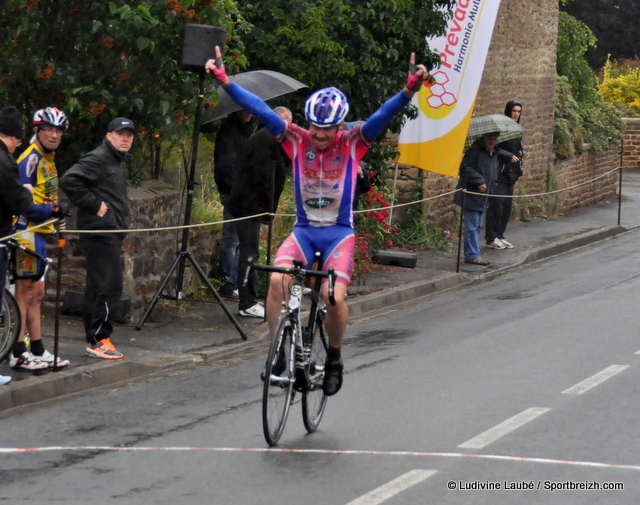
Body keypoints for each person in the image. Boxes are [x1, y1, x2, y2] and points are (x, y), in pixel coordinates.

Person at [206, 48, 429, 395]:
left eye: (326, 129)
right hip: (304, 232)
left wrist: (408, 91)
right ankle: (277, 350)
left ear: (339, 125)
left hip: (339, 235)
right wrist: (225, 81)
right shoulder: (296, 138)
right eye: (314, 127)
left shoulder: (355, 142)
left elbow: (384, 115)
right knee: (278, 282)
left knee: (332, 297)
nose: (320, 135)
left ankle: (335, 357)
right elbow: (259, 109)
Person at [60, 117, 134, 360]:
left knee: (103, 283)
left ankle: (98, 337)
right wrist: (94, 204)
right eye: (120, 133)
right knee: (107, 285)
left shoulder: (116, 160)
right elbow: (70, 180)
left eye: (129, 135)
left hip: (110, 231)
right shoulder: (99, 158)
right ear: (109, 135)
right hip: (99, 231)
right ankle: (98, 339)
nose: (125, 138)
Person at [11, 108, 72, 372]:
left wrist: (54, 215)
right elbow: (21, 203)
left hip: (41, 232)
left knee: (37, 293)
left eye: (59, 130)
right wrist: (53, 211)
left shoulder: (48, 158)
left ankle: (37, 349)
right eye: (49, 129)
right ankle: (17, 351)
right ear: (36, 130)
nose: (54, 134)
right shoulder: (30, 160)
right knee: (24, 294)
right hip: (25, 232)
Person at [227, 106, 292, 319]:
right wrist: (266, 210)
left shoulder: (272, 141)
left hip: (252, 204)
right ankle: (248, 302)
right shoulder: (265, 141)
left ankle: (251, 299)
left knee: (250, 251)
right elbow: (263, 178)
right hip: (247, 205)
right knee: (249, 252)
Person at [0, 106, 34, 384]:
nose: (17, 146)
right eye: (17, 140)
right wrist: (27, 193)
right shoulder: (4, 160)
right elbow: (16, 201)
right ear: (11, 137)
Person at [213, 109, 253, 300]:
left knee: (238, 239)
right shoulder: (229, 131)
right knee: (232, 239)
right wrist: (237, 190)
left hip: (239, 191)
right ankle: (228, 283)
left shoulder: (242, 130)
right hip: (232, 192)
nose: (250, 113)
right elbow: (227, 166)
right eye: (246, 110)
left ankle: (235, 282)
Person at [454, 131, 505, 266]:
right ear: (483, 137)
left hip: (484, 196)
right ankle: (472, 255)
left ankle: (473, 253)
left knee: (477, 226)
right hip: (472, 194)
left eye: (494, 139)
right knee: (472, 227)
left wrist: (493, 187)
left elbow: (493, 173)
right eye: (489, 138)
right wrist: (479, 181)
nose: (492, 141)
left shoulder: (493, 154)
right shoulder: (474, 151)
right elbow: (465, 168)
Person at [485, 100, 523, 250]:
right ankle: (491, 237)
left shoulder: (517, 129)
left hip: (512, 173)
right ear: (509, 111)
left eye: (519, 111)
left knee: (507, 205)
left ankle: (500, 235)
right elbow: (495, 147)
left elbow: (520, 150)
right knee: (497, 205)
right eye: (514, 111)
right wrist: (508, 155)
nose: (516, 114)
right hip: (500, 171)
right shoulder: (502, 128)